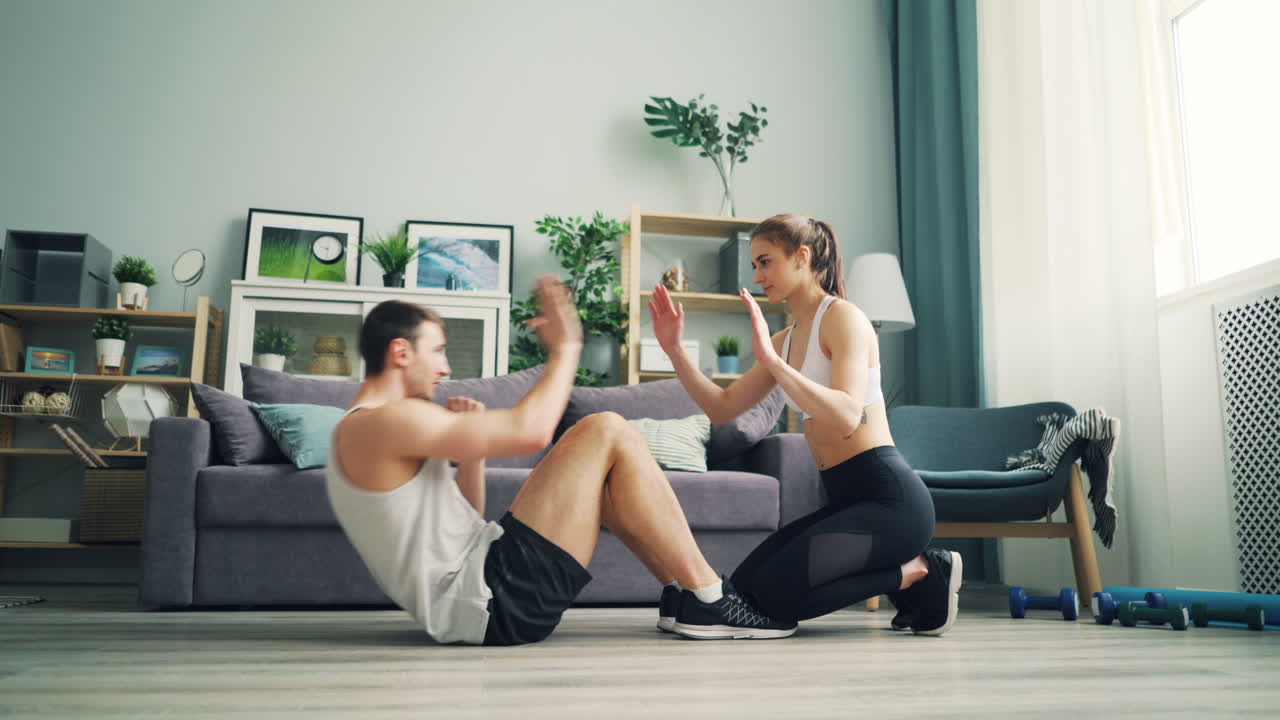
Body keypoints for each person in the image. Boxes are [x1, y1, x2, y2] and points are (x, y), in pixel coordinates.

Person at [326, 278, 797, 646]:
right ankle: (712, 597)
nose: (446, 368)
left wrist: (471, 457)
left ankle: (681, 593)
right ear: (401, 352)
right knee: (606, 427)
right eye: (439, 351)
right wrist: (567, 346)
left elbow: (467, 520)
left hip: (485, 587)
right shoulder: (379, 423)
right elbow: (531, 432)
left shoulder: (369, 428)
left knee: (611, 467)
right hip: (493, 603)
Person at [648, 214, 960, 637]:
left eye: (765, 262)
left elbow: (848, 413)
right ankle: (913, 576)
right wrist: (674, 351)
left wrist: (775, 365)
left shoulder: (844, 318)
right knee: (742, 592)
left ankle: (919, 569)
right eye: (754, 265)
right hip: (845, 499)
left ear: (802, 257)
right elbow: (723, 408)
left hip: (891, 502)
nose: (757, 275)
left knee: (777, 601)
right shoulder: (786, 339)